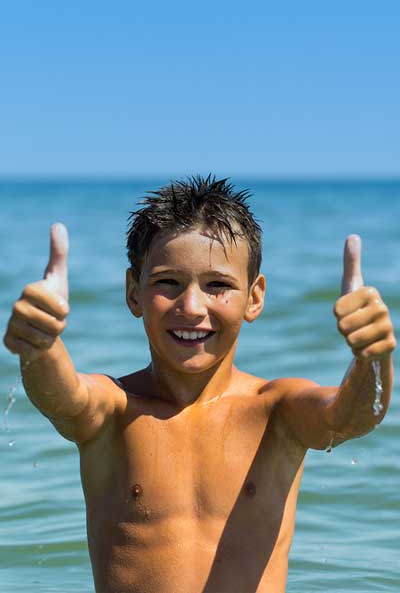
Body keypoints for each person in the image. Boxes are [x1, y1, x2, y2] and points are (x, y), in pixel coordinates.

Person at [3, 175, 396, 593]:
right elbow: (63, 396)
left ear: (255, 297)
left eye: (218, 286)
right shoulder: (115, 411)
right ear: (133, 292)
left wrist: (372, 356)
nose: (191, 307)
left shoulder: (275, 411)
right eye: (168, 283)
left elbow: (353, 416)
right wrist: (40, 345)